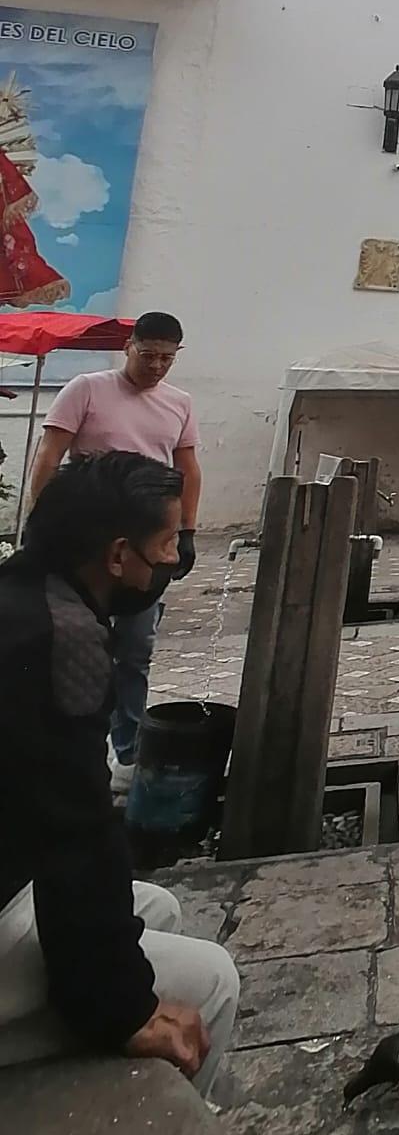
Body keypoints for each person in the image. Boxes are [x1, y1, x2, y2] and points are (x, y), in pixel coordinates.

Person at [0, 452, 240, 1097]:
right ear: (115, 556)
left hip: (14, 866)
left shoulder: (24, 593)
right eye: (165, 544)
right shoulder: (65, 637)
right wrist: (126, 1009)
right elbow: (74, 832)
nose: (172, 560)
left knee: (155, 905)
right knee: (211, 981)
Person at [26, 312, 200, 794]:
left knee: (135, 647)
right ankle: (72, 748)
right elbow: (49, 457)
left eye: (168, 358)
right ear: (129, 346)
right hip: (90, 535)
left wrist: (185, 532)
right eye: (148, 355)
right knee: (73, 639)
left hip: (145, 540)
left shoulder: (179, 403)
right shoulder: (86, 388)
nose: (157, 366)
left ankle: (128, 749)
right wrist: (40, 523)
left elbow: (188, 468)